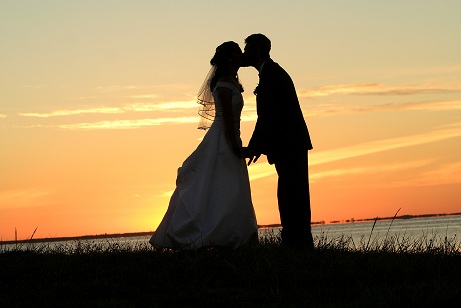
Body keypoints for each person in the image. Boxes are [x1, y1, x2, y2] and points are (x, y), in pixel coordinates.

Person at [150, 41, 258, 250]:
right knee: (223, 186)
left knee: (229, 189)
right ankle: (201, 234)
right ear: (229, 58)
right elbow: (226, 118)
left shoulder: (232, 82)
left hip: (232, 136)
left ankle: (233, 236)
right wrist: (236, 146)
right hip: (223, 139)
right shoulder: (224, 85)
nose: (241, 55)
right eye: (237, 52)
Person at [243, 34, 314, 250]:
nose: (244, 55)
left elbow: (269, 116)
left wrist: (255, 145)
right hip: (289, 144)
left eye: (247, 50)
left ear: (256, 52)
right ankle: (296, 240)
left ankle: (297, 241)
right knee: (291, 192)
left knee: (293, 193)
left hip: (290, 144)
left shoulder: (272, 75)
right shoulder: (271, 73)